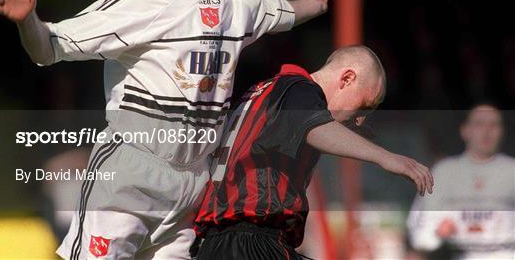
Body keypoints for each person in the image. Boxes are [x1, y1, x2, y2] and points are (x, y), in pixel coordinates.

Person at [0, 0, 327, 259]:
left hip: (195, 184)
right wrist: (27, 22)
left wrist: (312, 4)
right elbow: (50, 47)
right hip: (132, 174)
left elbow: (282, 13)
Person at [193, 45, 434, 259]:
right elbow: (315, 128)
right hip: (252, 239)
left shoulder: (265, 90)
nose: (360, 120)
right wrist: (386, 157)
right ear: (347, 78)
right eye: (364, 106)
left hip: (222, 241)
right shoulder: (299, 89)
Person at [407, 104, 515, 260]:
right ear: (465, 130)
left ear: (502, 131)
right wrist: (437, 233)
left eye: (494, 125)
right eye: (479, 124)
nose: (486, 132)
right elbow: (419, 233)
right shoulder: (443, 172)